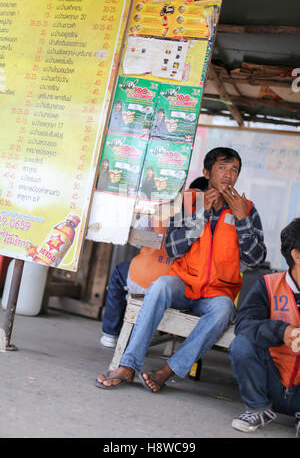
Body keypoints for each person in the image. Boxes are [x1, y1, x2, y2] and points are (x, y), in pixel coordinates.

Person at [96, 147, 266, 392]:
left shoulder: (247, 209)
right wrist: (200, 214)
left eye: (234, 170)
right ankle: (128, 366)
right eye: (222, 168)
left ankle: (168, 371)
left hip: (218, 292)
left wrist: (242, 222)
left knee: (225, 310)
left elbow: (256, 260)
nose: (229, 175)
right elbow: (174, 249)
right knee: (160, 287)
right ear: (207, 172)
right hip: (182, 283)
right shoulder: (188, 202)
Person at [100, 177, 203, 348]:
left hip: (141, 278)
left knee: (119, 272)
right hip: (178, 287)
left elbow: (136, 241)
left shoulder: (164, 205)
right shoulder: (207, 218)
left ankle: (110, 333)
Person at [229, 218, 300, 436]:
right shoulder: (268, 285)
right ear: (297, 255)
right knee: (241, 344)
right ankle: (258, 407)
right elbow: (244, 324)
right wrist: (282, 331)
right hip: (271, 381)